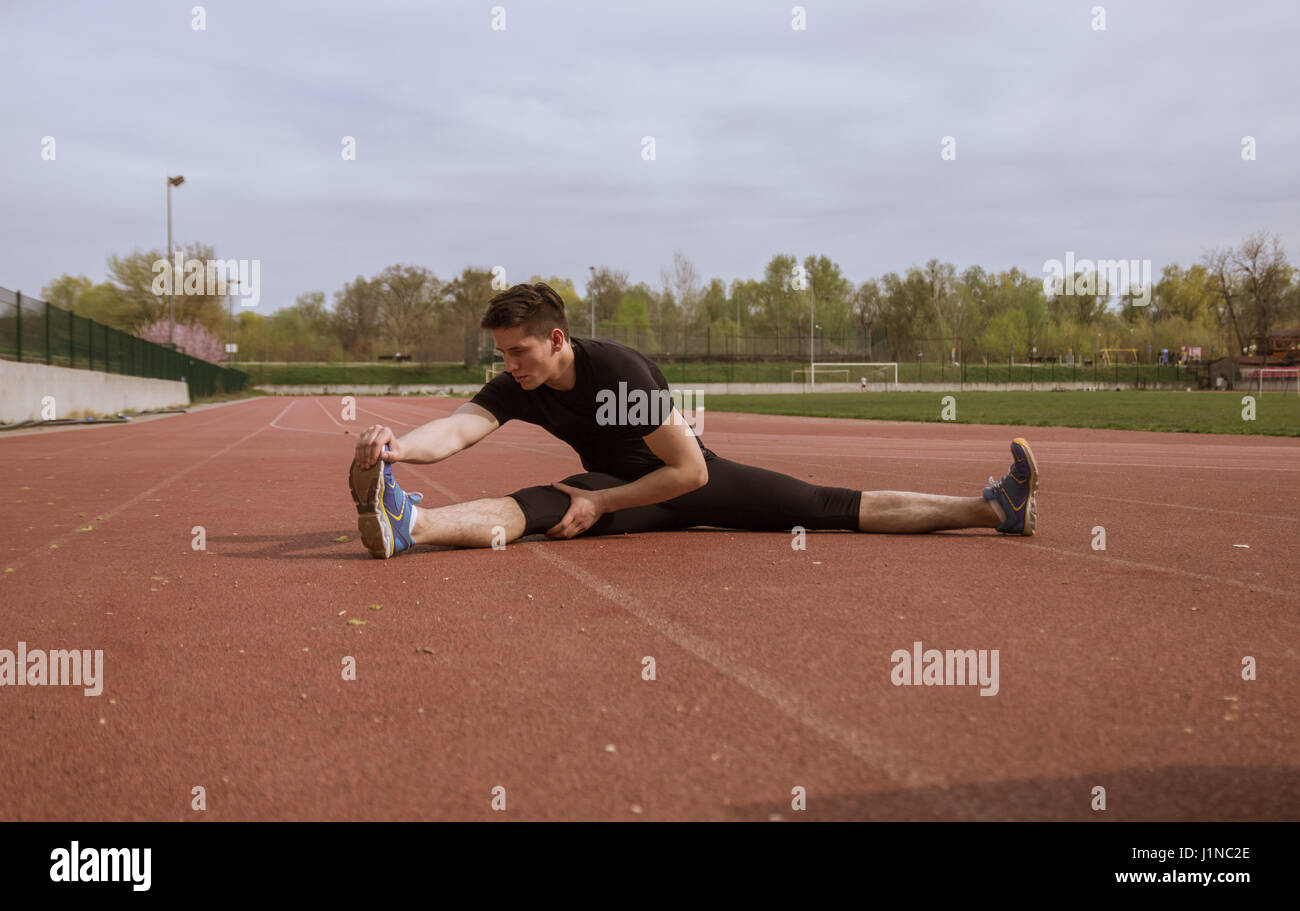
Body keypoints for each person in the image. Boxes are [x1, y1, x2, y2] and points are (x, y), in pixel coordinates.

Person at [348, 283, 1039, 558]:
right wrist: (396, 448)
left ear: (557, 339)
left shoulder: (622, 372)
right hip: (618, 488)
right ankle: (409, 523)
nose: (511, 365)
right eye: (502, 354)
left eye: (520, 351)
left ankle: (991, 509)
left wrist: (600, 500)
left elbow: (691, 470)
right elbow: (459, 428)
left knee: (826, 505)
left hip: (684, 486)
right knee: (537, 505)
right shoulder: (517, 382)